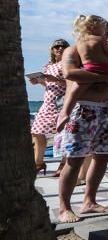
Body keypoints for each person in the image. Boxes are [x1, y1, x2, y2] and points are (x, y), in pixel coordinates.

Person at [55, 28, 108, 224]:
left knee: (103, 156)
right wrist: (104, 78)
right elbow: (70, 73)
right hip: (82, 110)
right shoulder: (73, 51)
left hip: (106, 111)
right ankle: (64, 208)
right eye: (105, 28)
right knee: (75, 159)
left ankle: (89, 201)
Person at [62, 15, 108, 114]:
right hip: (82, 108)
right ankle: (65, 112)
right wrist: (106, 78)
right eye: (106, 30)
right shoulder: (72, 51)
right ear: (94, 28)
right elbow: (69, 74)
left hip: (106, 109)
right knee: (78, 86)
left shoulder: (105, 56)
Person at [29, 38, 70, 176]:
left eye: (62, 46)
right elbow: (49, 85)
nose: (59, 48)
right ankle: (39, 162)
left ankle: (63, 165)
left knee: (64, 135)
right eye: (56, 46)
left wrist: (55, 80)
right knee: (36, 132)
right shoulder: (48, 66)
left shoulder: (69, 63)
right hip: (47, 103)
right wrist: (40, 81)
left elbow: (73, 83)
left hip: (62, 103)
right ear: (52, 50)